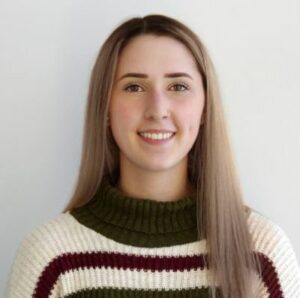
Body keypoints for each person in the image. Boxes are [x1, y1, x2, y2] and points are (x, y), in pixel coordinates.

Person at [5, 14, 300, 298]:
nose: (157, 109)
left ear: (205, 109)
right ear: (104, 109)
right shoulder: (52, 258)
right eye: (134, 87)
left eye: (178, 87)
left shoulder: (262, 253)